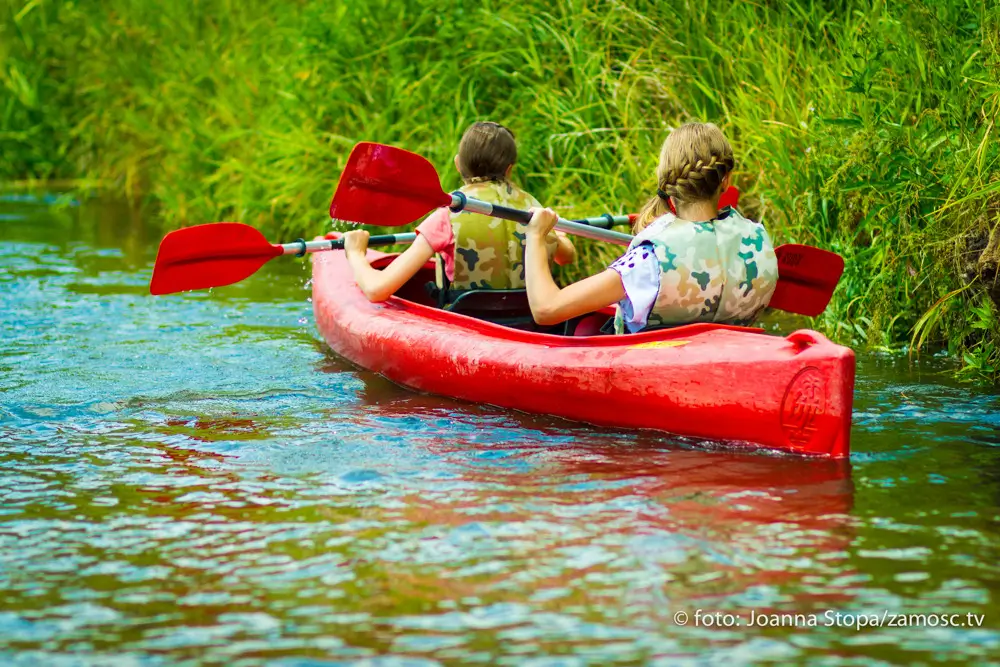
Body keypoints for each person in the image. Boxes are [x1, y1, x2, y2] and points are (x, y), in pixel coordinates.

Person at [524, 122, 778, 333]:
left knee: (585, 328)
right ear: (726, 180)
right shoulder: (759, 241)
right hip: (730, 365)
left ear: (666, 181)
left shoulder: (649, 259)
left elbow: (546, 310)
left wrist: (536, 235)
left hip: (657, 373)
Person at [341, 121, 575, 303]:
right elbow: (566, 257)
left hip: (470, 324)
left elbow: (376, 290)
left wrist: (356, 253)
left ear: (457, 164)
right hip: (528, 321)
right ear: (509, 170)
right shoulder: (534, 210)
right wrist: (559, 236)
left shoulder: (448, 216)